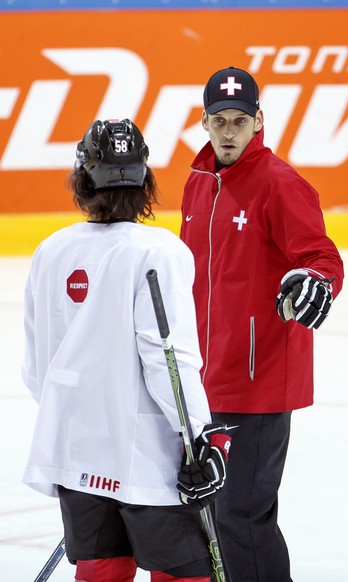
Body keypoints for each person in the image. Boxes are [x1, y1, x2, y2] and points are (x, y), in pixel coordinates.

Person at [22, 118, 232, 582]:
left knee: (102, 569)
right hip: (148, 460)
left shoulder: (51, 251)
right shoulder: (159, 250)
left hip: (76, 454)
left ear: (82, 179)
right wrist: (200, 438)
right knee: (184, 573)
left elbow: (39, 368)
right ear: (144, 180)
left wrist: (83, 424)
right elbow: (169, 360)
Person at [180, 66, 344, 581]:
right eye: (219, 120)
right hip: (206, 378)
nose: (229, 132)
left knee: (243, 515)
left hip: (259, 381)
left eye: (240, 120)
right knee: (208, 514)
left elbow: (322, 257)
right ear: (204, 123)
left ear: (259, 122)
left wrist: (318, 281)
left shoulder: (280, 183)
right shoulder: (197, 181)